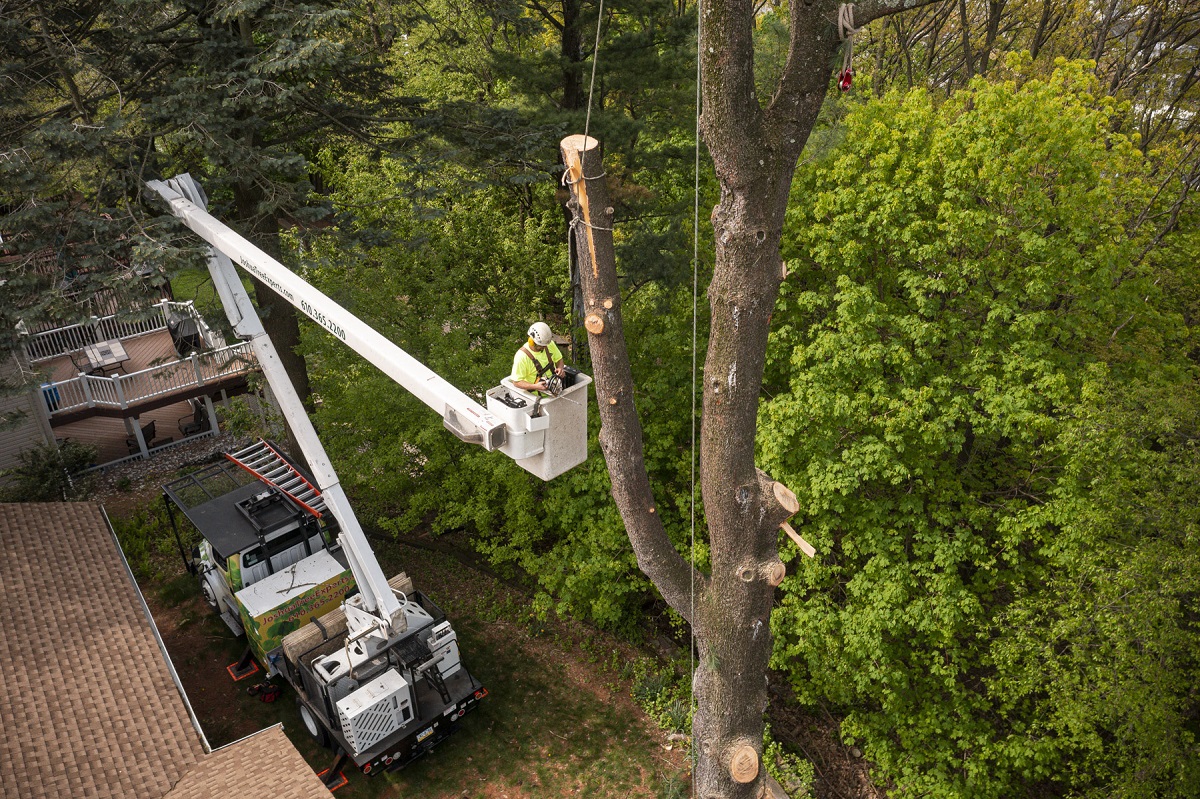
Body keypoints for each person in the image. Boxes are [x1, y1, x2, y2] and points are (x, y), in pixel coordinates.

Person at [512, 321, 565, 395]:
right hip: (536, 397)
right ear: (532, 342)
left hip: (555, 389)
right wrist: (535, 386)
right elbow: (516, 382)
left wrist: (560, 368)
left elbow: (559, 359)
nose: (545, 347)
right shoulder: (521, 357)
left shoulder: (549, 344)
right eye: (541, 346)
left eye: (545, 345)